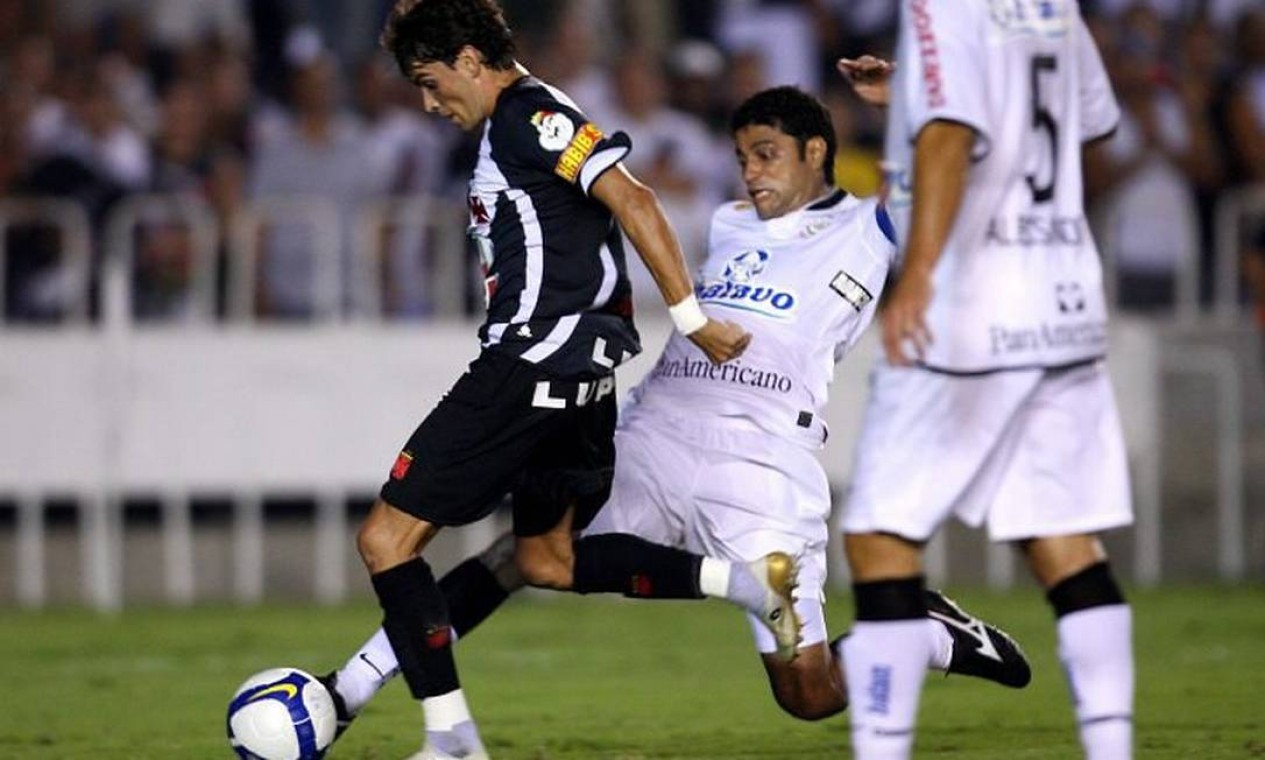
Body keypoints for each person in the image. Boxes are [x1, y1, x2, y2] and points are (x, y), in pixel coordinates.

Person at [321, 85, 1032, 752]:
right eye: (741, 158)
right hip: (654, 432)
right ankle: (349, 688)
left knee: (808, 695)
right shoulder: (726, 223)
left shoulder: (871, 224)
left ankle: (921, 635)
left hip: (761, 459)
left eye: (766, 155)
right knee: (527, 556)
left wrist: (911, 92)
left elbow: (983, 154)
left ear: (816, 152)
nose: (750, 174)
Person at [359, 2, 791, 758]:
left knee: (386, 539)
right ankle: (748, 585)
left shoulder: (526, 115)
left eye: (429, 82)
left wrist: (688, 318)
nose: (429, 103)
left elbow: (635, 198)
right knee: (545, 560)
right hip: (581, 377)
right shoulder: (531, 116)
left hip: (531, 363)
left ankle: (449, 736)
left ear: (467, 59)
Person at [834, 3, 1136, 759]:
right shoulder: (1052, 6)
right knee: (1060, 539)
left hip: (971, 305)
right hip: (1061, 295)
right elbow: (1090, 119)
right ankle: (1111, 747)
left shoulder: (940, 5)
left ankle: (880, 747)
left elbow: (948, 134)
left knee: (877, 538)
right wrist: (917, 90)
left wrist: (921, 276)